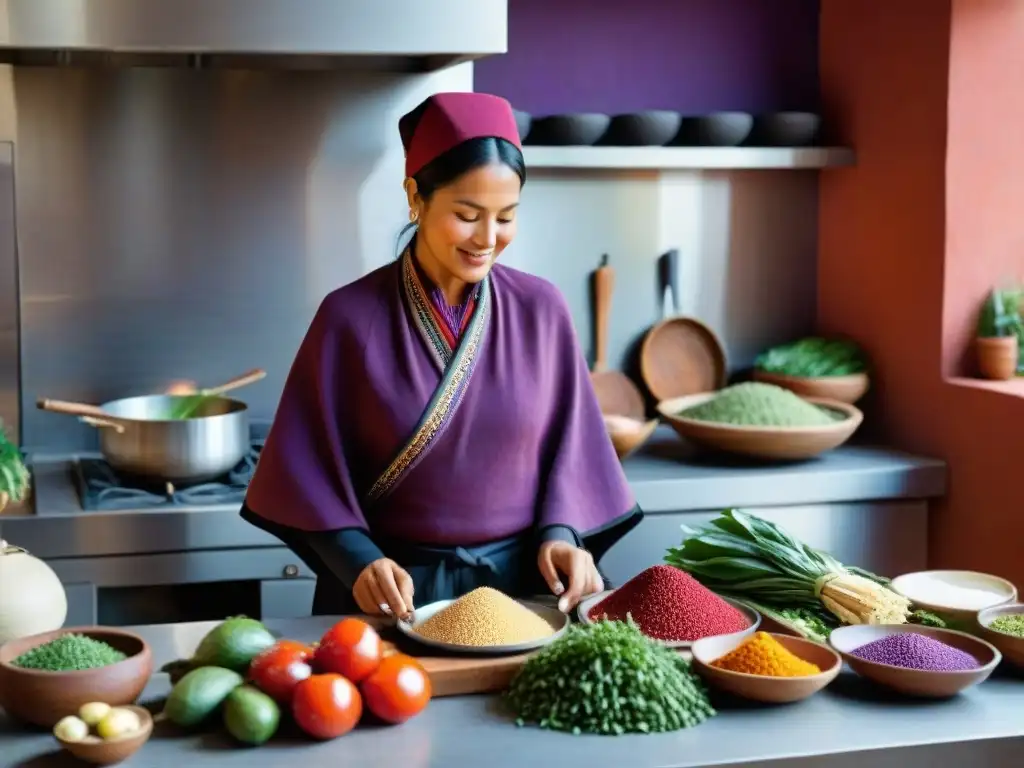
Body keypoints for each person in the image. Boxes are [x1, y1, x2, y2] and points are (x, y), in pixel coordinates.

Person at [240, 92, 641, 620]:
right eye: (467, 214)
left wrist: (562, 535)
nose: (487, 239)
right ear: (416, 196)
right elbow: (302, 472)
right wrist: (359, 562)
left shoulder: (542, 310)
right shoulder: (348, 317)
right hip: (394, 593)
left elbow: (573, 452)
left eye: (505, 217)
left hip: (522, 596)